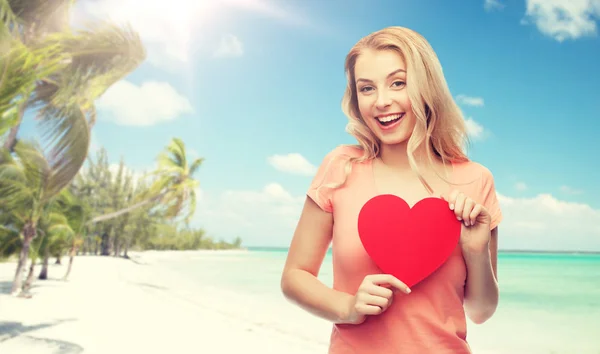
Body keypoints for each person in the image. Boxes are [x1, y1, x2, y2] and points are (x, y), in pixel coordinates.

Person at [280, 26, 503, 353]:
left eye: (398, 83)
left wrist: (475, 250)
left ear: (426, 87)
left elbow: (481, 311)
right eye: (366, 88)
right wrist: (348, 307)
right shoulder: (341, 167)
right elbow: (294, 277)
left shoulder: (475, 180)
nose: (382, 102)